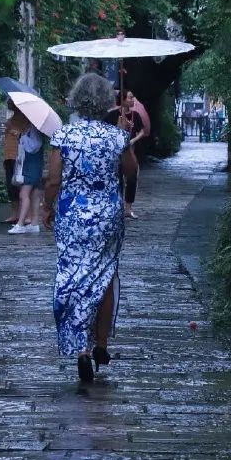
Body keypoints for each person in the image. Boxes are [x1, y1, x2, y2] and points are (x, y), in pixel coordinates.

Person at [43, 72, 139, 383]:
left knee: (74, 274)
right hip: (108, 216)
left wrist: (48, 208)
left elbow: (54, 179)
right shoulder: (115, 136)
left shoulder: (65, 136)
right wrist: (124, 139)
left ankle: (81, 350)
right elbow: (131, 172)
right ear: (105, 102)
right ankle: (101, 344)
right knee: (105, 274)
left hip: (72, 216)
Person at [107, 89, 145, 218]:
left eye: (133, 97)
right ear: (122, 100)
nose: (132, 100)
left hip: (130, 151)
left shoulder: (136, 115)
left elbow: (141, 131)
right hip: (115, 152)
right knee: (117, 180)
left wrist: (133, 139)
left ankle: (128, 208)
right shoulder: (112, 115)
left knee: (132, 178)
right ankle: (117, 207)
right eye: (130, 98)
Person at [9, 123, 44, 234]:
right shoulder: (31, 129)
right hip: (31, 165)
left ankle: (20, 224)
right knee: (34, 194)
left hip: (31, 166)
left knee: (23, 194)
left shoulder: (34, 130)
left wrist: (21, 136)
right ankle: (34, 224)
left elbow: (33, 147)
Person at [3, 101, 30, 224]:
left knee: (21, 185)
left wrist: (16, 133)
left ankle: (26, 215)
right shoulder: (10, 119)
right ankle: (14, 214)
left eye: (11, 102)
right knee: (11, 186)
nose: (8, 103)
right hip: (8, 156)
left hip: (19, 156)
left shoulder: (26, 119)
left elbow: (28, 136)